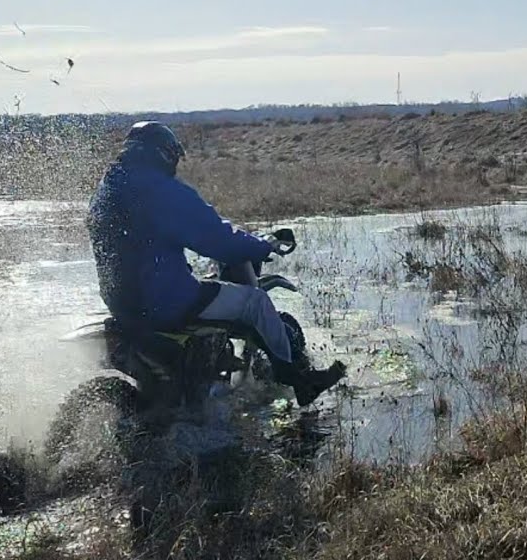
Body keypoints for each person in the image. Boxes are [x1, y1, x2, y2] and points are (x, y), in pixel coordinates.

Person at [86, 120, 346, 407]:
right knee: (255, 302)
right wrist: (260, 246)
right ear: (164, 154)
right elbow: (218, 239)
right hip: (166, 301)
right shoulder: (159, 190)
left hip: (124, 304)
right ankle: (301, 380)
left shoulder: (108, 189)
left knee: (206, 289)